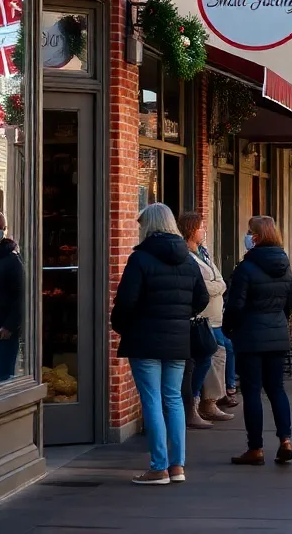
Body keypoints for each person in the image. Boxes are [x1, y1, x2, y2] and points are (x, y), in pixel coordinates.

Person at [111, 203, 208, 485]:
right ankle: (177, 466)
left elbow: (126, 301)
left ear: (149, 225)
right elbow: (201, 299)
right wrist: (180, 315)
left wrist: (121, 326)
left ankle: (158, 467)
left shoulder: (140, 259)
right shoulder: (188, 259)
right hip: (178, 339)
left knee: (152, 400)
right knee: (174, 399)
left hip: (144, 339)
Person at [224, 216, 292, 466]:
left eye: (249, 232)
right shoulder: (285, 266)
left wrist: (229, 327)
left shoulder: (246, 267)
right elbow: (289, 304)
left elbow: (235, 305)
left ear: (256, 237)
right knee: (276, 389)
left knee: (252, 391)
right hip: (277, 333)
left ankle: (255, 448)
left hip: (250, 335)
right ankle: (285, 439)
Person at [176, 213, 234, 429]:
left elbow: (219, 279)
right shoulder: (185, 255)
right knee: (210, 355)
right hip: (201, 318)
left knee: (219, 352)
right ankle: (199, 402)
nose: (204, 230)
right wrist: (217, 287)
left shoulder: (204, 252)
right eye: (201, 227)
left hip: (214, 317)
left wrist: (216, 286)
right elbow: (200, 285)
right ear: (191, 229)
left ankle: (211, 399)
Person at [0, 211, 24, 383]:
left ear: (5, 230)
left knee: (0, 379)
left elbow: (21, 296)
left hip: (3, 332)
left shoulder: (11, 260)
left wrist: (9, 325)